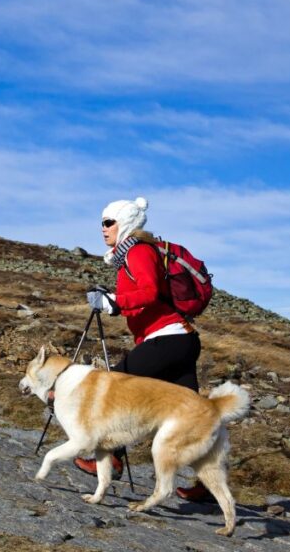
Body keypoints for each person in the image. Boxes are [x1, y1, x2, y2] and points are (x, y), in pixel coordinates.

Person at [80, 196, 212, 502]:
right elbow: (145, 294)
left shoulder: (138, 251)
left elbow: (149, 292)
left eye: (108, 222)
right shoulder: (135, 253)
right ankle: (208, 479)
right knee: (188, 414)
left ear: (124, 223)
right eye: (102, 222)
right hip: (181, 340)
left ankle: (111, 458)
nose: (103, 228)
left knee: (114, 386)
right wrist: (114, 300)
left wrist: (113, 302)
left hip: (167, 339)